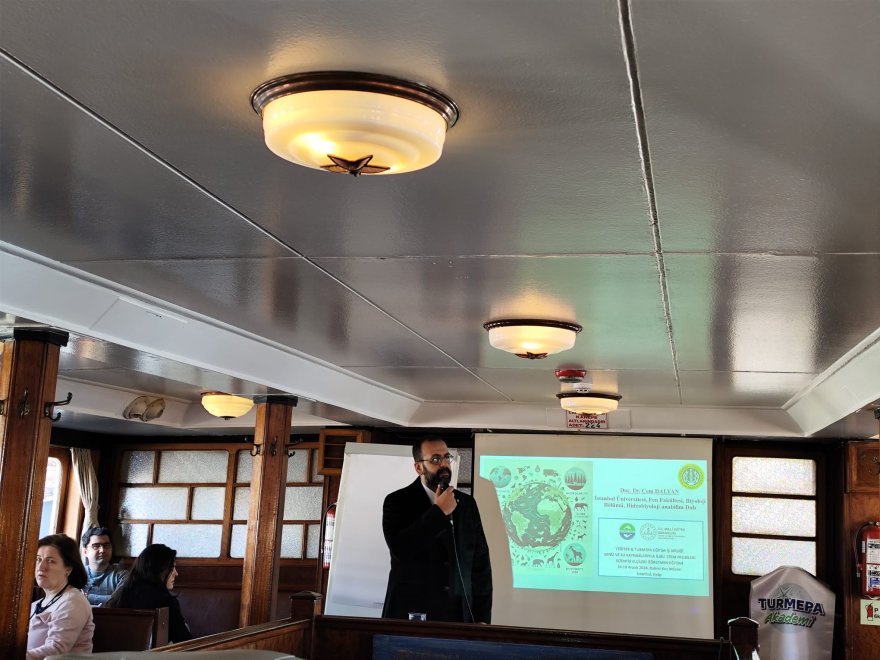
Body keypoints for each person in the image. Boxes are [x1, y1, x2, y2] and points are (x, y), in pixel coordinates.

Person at [382, 436, 492, 623]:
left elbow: (480, 566)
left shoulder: (466, 504)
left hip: (459, 617)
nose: (444, 464)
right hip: (413, 616)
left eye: (447, 457)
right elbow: (402, 550)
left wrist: (482, 619)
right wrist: (439, 512)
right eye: (435, 459)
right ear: (419, 467)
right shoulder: (397, 501)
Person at [105, 543, 193, 642]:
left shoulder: (121, 595)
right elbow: (185, 642)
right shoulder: (166, 602)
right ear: (159, 570)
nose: (176, 573)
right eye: (172, 568)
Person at [27, 534, 95, 660]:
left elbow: (56, 649)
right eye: (38, 559)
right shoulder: (36, 604)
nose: (41, 567)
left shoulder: (73, 601)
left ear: (68, 569)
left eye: (51, 561)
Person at [81, 526, 129, 606]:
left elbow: (119, 601)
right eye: (96, 546)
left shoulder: (122, 575)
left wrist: (87, 597)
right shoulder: (76, 574)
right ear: (85, 551)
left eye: (106, 545)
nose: (102, 550)